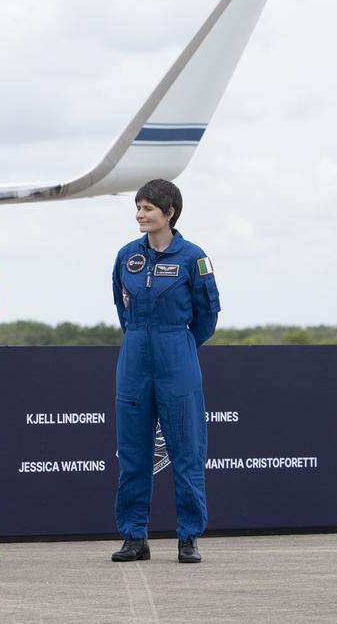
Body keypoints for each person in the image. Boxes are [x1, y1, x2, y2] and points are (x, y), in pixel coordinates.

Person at [110, 179, 220, 564]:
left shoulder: (194, 257)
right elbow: (122, 310)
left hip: (178, 358)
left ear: (169, 212)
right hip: (135, 358)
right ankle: (133, 536)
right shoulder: (126, 256)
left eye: (147, 208)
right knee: (134, 454)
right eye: (138, 207)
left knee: (187, 452)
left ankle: (188, 537)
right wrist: (142, 339)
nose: (140, 214)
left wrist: (181, 345)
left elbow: (207, 315)